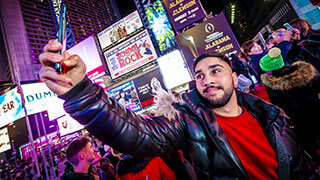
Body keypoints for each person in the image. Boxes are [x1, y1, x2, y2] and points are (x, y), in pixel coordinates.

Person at [40, 40, 316, 179]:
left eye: (215, 71)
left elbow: (304, 166)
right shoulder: (189, 122)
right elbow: (136, 134)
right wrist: (80, 92)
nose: (206, 79)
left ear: (234, 78)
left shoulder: (272, 115)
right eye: (199, 75)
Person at [260, 47, 320, 164]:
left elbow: (279, 105)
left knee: (307, 143)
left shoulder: (273, 84)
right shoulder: (303, 71)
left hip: (300, 119)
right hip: (316, 108)